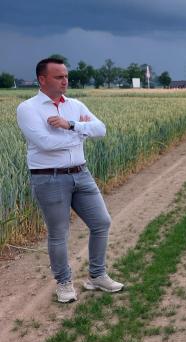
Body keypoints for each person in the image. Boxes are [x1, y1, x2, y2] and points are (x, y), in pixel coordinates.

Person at [17, 57, 124, 304]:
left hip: (81, 173)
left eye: (66, 76)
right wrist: (81, 135)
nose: (65, 80)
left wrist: (71, 124)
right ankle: (64, 282)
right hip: (49, 177)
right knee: (58, 233)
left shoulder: (75, 105)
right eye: (59, 76)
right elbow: (45, 143)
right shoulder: (28, 108)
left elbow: (101, 129)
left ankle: (97, 276)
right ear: (42, 79)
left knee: (101, 222)